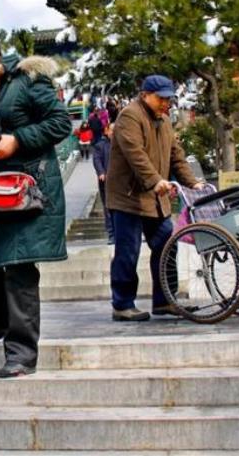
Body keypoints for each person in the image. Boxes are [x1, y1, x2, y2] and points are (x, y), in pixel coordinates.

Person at [0, 33, 71, 378]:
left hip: (28, 190)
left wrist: (18, 140)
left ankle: (22, 355)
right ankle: (4, 322)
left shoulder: (27, 81)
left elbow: (61, 123)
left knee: (19, 270)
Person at [106, 74, 204, 321]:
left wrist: (192, 181)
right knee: (128, 251)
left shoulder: (165, 119)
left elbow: (176, 155)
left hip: (155, 197)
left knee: (166, 245)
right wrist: (156, 180)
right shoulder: (130, 116)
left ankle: (164, 301)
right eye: (160, 98)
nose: (165, 104)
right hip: (129, 197)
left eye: (168, 99)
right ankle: (122, 304)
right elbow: (135, 155)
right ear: (145, 95)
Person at [92, 122, 115, 245]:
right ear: (107, 131)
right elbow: (96, 159)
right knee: (108, 208)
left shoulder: (124, 145)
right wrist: (101, 172)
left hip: (121, 182)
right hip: (106, 182)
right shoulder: (100, 146)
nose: (114, 133)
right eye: (112, 131)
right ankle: (111, 234)